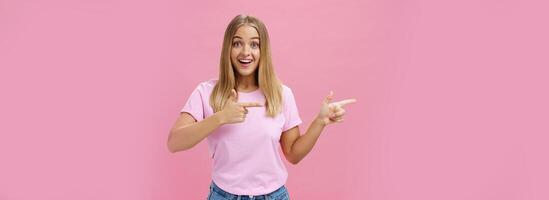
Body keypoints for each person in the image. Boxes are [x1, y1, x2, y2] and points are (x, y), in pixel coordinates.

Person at [168, 14, 356, 200]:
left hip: (273, 196)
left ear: (263, 50)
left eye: (254, 44)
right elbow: (174, 142)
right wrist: (221, 117)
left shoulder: (281, 94)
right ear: (228, 48)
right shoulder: (207, 92)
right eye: (237, 43)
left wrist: (320, 122)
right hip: (223, 196)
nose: (245, 52)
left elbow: (293, 155)